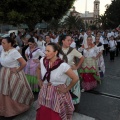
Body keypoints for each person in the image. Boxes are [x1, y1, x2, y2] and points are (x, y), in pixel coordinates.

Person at [36, 43, 79, 120]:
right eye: (45, 50)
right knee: (44, 112)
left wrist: (66, 89)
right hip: (44, 92)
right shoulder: (43, 60)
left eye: (48, 51)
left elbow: (75, 78)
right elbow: (38, 69)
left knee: (55, 113)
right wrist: (39, 80)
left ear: (55, 52)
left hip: (57, 92)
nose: (46, 53)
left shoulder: (63, 65)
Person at [0, 37, 34, 117]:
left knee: (13, 90)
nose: (2, 44)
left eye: (4, 43)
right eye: (2, 42)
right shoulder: (2, 50)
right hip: (4, 72)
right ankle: (4, 109)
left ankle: (14, 109)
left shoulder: (14, 52)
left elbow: (24, 63)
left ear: (10, 43)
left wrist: (17, 70)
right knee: (4, 90)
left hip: (13, 74)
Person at [59, 35, 84, 106]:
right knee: (63, 88)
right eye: (68, 40)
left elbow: (82, 58)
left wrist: (77, 67)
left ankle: (73, 104)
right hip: (62, 73)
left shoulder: (72, 50)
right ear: (63, 41)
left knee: (73, 89)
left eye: (71, 40)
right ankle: (64, 103)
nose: (70, 42)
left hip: (71, 72)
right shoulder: (58, 50)